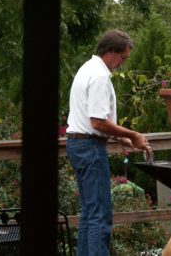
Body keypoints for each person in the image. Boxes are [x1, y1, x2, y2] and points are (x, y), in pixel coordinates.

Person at [66, 29, 153, 256]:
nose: (122, 63)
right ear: (110, 52)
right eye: (122, 58)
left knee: (89, 213)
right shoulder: (100, 76)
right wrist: (133, 135)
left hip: (78, 145)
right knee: (100, 216)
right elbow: (97, 122)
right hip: (90, 148)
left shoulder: (87, 68)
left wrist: (121, 137)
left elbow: (93, 121)